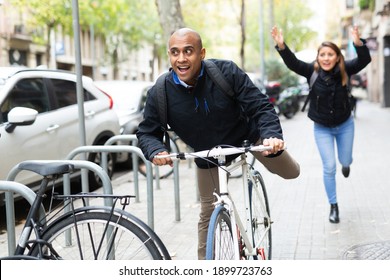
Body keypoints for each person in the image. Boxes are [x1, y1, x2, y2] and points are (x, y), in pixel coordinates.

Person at [137, 27, 300, 259]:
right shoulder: (160, 92)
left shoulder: (225, 72)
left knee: (291, 172)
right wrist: (156, 150)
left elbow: (260, 106)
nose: (181, 58)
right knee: (208, 212)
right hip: (207, 153)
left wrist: (272, 136)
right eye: (175, 52)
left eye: (188, 51)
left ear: (201, 53)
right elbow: (146, 133)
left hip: (246, 138)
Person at [271, 25, 371, 223]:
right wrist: (282, 46)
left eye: (330, 54)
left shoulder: (345, 69)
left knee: (345, 160)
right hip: (322, 128)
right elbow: (293, 63)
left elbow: (364, 60)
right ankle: (333, 206)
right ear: (318, 57)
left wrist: (358, 43)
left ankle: (347, 164)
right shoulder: (311, 71)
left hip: (345, 125)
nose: (326, 58)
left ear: (337, 57)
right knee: (329, 167)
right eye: (322, 54)